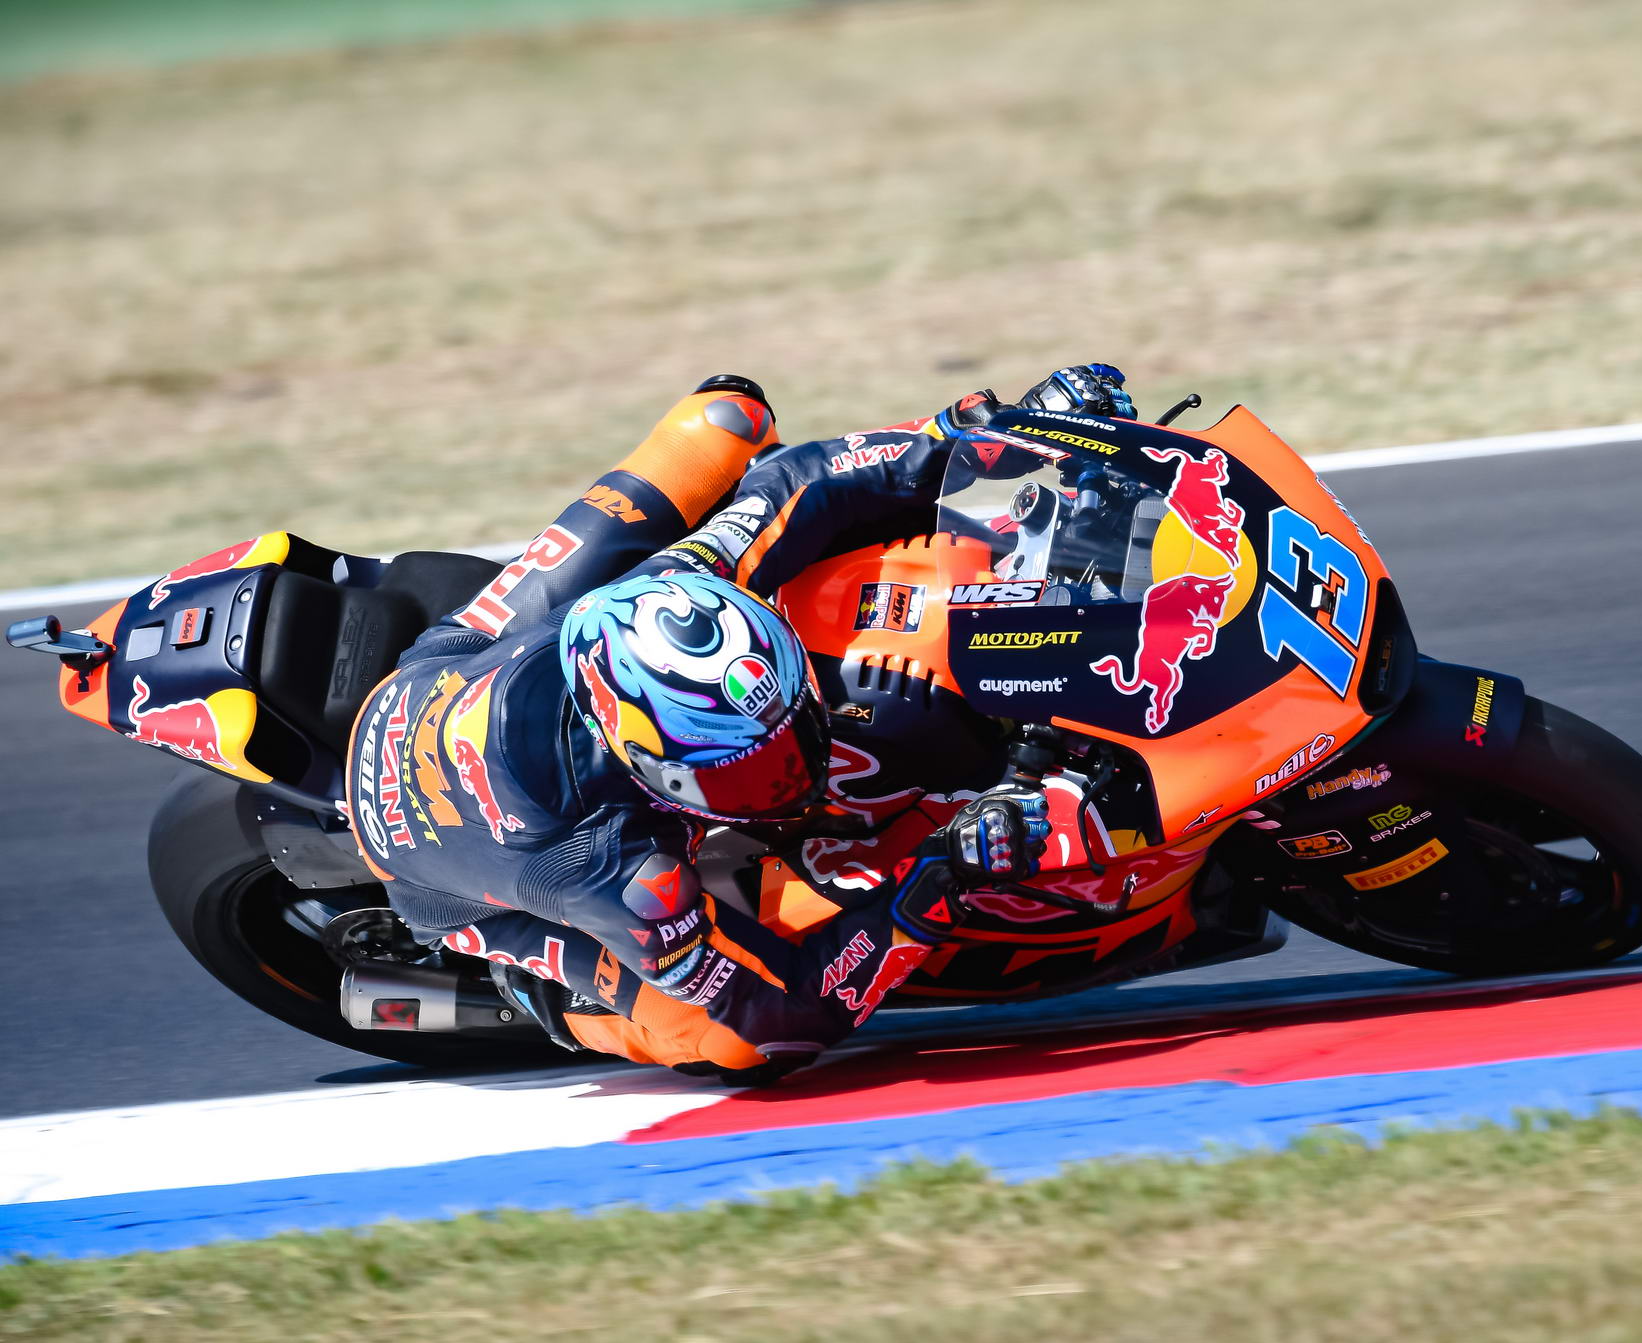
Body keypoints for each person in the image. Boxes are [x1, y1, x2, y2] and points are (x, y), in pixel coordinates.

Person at [346, 365, 1137, 1082]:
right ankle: (540, 997)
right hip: (432, 869)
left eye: (792, 728)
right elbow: (782, 1014)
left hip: (450, 663)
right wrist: (936, 879)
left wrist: (969, 438)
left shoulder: (675, 581)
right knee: (728, 1045)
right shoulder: (620, 872)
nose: (797, 767)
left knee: (729, 418)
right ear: (649, 768)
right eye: (744, 771)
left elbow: (799, 480)